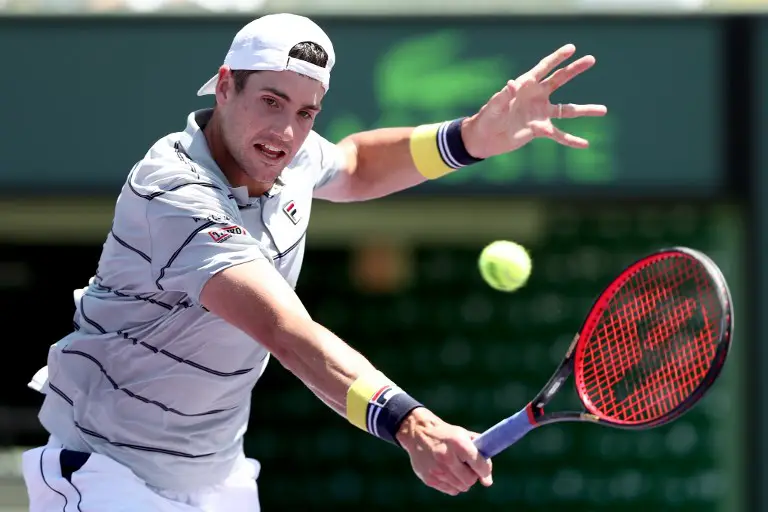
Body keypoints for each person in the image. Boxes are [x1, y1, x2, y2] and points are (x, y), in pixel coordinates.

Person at [20, 12, 606, 512]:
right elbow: (285, 330)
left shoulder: (286, 155)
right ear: (225, 87)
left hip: (217, 473)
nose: (285, 131)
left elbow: (353, 163)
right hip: (107, 471)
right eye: (271, 102)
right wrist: (412, 423)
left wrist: (471, 138)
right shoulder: (173, 191)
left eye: (306, 112)